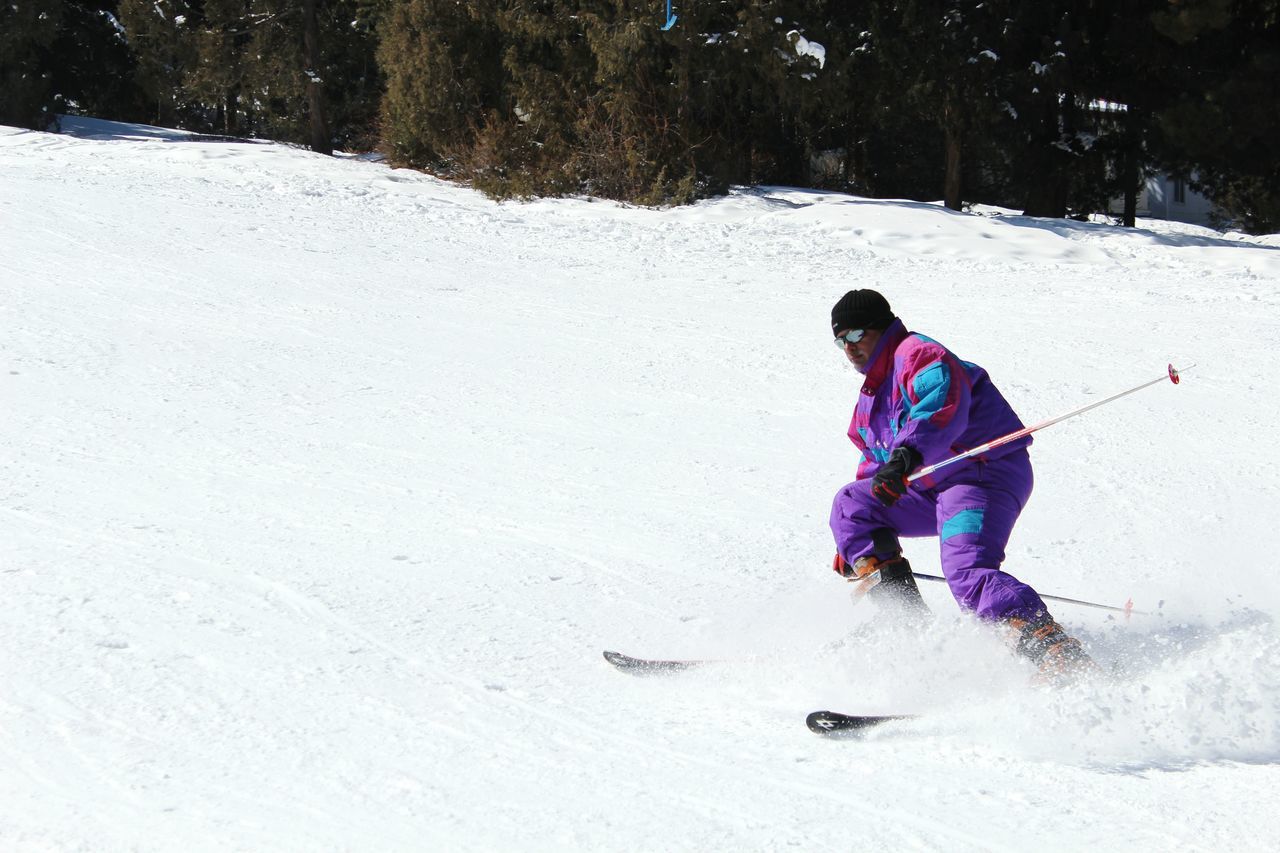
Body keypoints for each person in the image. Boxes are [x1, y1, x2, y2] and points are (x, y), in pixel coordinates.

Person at [827, 288, 1094, 682]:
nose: (848, 348)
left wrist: (906, 456)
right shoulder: (870, 398)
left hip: (981, 473)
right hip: (931, 487)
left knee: (965, 568)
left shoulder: (917, 355)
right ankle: (906, 626)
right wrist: (856, 543)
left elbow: (938, 407)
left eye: (854, 335)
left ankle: (1055, 650)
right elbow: (873, 464)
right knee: (851, 505)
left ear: (881, 328)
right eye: (839, 341)